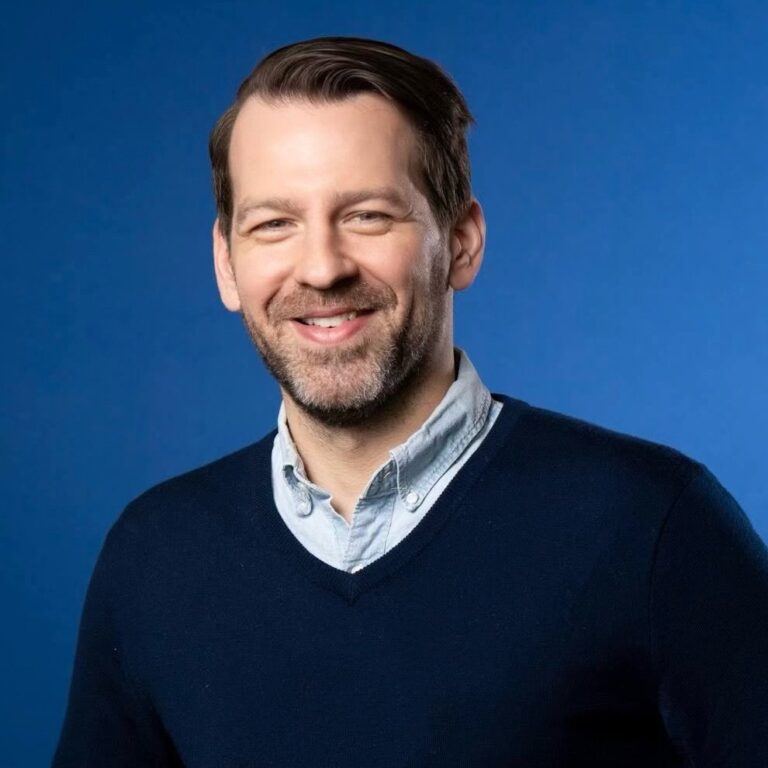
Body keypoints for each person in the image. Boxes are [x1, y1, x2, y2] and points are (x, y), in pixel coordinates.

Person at [52, 36, 768, 767]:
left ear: (461, 242)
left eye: (367, 216)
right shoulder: (154, 558)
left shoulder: (653, 527)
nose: (322, 267)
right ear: (225, 263)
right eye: (274, 225)